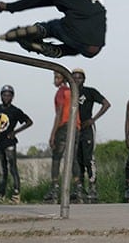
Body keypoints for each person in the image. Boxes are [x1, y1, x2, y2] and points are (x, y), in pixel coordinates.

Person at [0, 85, 33, 204]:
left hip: (10, 143)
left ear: (12, 97)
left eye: (9, 95)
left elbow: (29, 121)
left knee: (12, 169)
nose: (6, 97)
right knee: (1, 171)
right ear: (1, 96)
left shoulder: (15, 111)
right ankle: (1, 195)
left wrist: (15, 132)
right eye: (4, 95)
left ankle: (16, 194)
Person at [72, 68, 111, 203]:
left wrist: (93, 119)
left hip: (87, 128)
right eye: (74, 77)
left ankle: (92, 187)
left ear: (84, 79)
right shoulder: (69, 93)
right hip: (73, 130)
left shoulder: (90, 92)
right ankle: (79, 189)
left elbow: (106, 104)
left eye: (80, 78)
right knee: (77, 159)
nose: (77, 80)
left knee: (89, 158)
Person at [43, 72, 81, 204]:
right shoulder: (72, 92)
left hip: (64, 126)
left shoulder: (61, 92)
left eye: (57, 78)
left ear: (63, 79)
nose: (55, 80)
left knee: (56, 157)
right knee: (73, 158)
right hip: (76, 127)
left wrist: (53, 133)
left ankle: (54, 188)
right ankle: (78, 189)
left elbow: (59, 112)